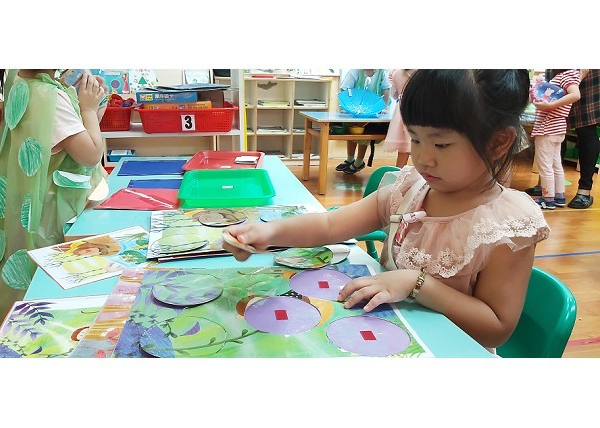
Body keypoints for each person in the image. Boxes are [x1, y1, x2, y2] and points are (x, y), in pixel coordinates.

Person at [223, 70, 550, 351]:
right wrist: (270, 232)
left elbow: (496, 328)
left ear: (498, 142)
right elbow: (329, 225)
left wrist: (417, 284)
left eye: (441, 144)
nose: (423, 158)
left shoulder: (508, 225)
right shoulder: (410, 190)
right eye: (415, 139)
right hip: (384, 336)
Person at [0, 69, 108, 327]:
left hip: (28, 207)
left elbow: (73, 133)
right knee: (50, 283)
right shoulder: (50, 97)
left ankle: (22, 325)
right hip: (52, 216)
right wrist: (88, 110)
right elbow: (91, 154)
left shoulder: (20, 80)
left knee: (27, 277)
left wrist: (91, 105)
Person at [530, 69, 581, 209]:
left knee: (545, 165)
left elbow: (575, 95)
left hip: (547, 128)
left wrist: (550, 106)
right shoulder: (569, 75)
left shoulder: (567, 75)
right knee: (555, 164)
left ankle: (548, 199)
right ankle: (558, 196)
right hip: (556, 127)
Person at [336, 69, 391, 174]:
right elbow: (344, 89)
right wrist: (347, 106)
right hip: (354, 106)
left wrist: (383, 107)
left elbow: (386, 90)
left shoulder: (382, 72)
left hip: (371, 108)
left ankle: (359, 161)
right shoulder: (355, 71)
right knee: (351, 131)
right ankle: (350, 159)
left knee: (363, 132)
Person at [566, 69, 599, 209]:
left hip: (588, 74)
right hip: (560, 72)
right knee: (554, 125)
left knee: (585, 127)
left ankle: (584, 190)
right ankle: (547, 187)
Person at [383, 69, 416, 168]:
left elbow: (394, 95)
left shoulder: (396, 73)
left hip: (401, 110)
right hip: (419, 109)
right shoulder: (423, 72)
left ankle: (398, 174)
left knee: (403, 149)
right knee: (421, 145)